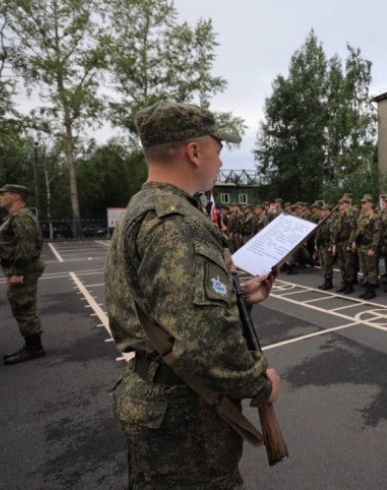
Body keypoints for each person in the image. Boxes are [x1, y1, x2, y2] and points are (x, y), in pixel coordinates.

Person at [105, 101, 279, 488]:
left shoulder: (143, 207)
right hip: (186, 417)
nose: (220, 161)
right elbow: (206, 343)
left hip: (154, 396)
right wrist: (261, 383)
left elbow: (165, 306)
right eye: (218, 150)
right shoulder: (179, 224)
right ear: (195, 151)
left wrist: (240, 297)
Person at [0, 184, 47, 365]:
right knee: (22, 306)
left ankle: (34, 347)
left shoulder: (21, 218)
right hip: (22, 268)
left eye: (2, 194)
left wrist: (18, 272)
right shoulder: (17, 217)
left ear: (16, 197)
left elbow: (27, 248)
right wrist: (4, 259)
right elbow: (15, 246)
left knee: (24, 306)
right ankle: (31, 345)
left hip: (24, 270)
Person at [352, 194, 381, 299]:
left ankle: (372, 290)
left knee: (371, 268)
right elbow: (358, 230)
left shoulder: (375, 217)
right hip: (361, 245)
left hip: (369, 245)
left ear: (370, 204)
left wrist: (373, 248)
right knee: (364, 268)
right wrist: (355, 241)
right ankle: (367, 288)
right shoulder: (362, 216)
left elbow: (376, 234)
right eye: (362, 203)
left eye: (364, 203)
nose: (362, 205)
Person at [315, 203, 336, 290]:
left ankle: (329, 282)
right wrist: (315, 243)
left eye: (324, 210)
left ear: (328, 212)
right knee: (323, 264)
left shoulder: (330, 222)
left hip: (327, 245)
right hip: (321, 245)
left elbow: (333, 234)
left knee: (328, 264)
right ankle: (325, 280)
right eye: (322, 210)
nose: (322, 212)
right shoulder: (321, 221)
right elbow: (317, 234)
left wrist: (331, 245)